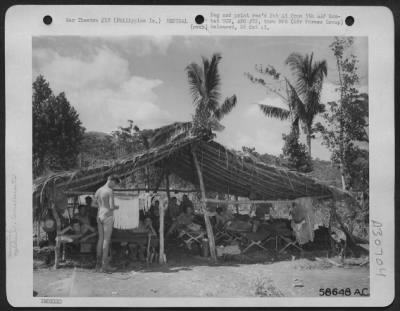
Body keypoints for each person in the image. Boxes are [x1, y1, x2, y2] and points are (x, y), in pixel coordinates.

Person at [94, 175, 120, 272]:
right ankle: (104, 266)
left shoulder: (98, 190)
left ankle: (98, 265)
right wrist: (117, 207)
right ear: (111, 181)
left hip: (99, 215)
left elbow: (93, 204)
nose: (114, 186)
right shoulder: (110, 191)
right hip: (107, 216)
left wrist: (102, 206)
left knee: (100, 239)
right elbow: (112, 206)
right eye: (115, 184)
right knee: (106, 240)